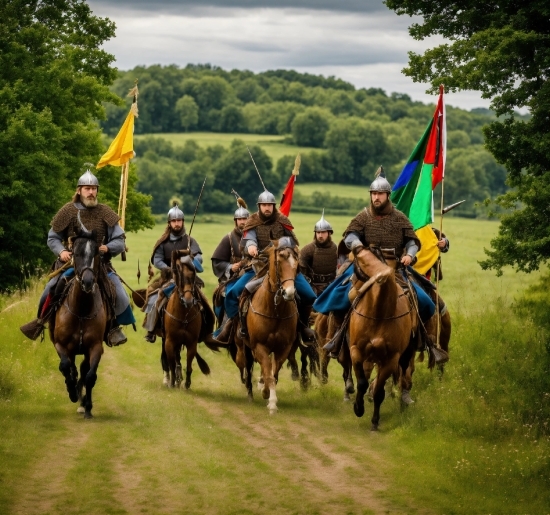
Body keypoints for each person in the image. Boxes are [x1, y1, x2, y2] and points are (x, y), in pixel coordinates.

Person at [21, 168, 134, 346]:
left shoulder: (105, 212)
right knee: (49, 289)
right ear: (79, 190)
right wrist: (61, 252)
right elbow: (53, 238)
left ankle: (112, 327)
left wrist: (107, 247)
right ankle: (40, 322)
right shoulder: (67, 211)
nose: (91, 192)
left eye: (93, 188)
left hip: (100, 266)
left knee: (120, 294)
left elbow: (120, 241)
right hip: (71, 264)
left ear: (97, 190)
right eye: (87, 188)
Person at [314, 168, 436, 329]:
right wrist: (358, 246)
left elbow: (412, 242)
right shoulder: (363, 216)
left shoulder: (400, 218)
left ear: (387, 195)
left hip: (395, 268)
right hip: (365, 266)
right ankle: (337, 337)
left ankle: (422, 339)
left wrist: (410, 255)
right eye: (373, 193)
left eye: (380, 194)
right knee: (338, 295)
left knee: (425, 302)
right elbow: (350, 236)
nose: (376, 197)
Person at [214, 189, 317, 344]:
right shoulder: (253, 221)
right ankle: (234, 326)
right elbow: (249, 239)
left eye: (270, 205)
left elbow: (292, 242)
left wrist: (284, 248)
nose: (267, 208)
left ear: (273, 206)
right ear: (259, 206)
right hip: (259, 267)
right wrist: (251, 247)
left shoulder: (282, 220)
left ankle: (302, 326)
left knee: (309, 295)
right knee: (233, 293)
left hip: (283, 266)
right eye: (264, 205)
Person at [143, 202, 203, 343]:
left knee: (203, 302)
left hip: (187, 279)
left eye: (179, 221)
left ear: (182, 222)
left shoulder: (189, 241)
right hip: (168, 278)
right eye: (174, 221)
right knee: (154, 298)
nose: (177, 224)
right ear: (169, 223)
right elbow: (157, 260)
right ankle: (151, 329)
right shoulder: (163, 242)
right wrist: (169, 269)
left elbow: (199, 256)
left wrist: (190, 260)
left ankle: (204, 330)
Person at [211, 196, 249, 284]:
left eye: (244, 219)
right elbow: (217, 262)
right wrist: (230, 267)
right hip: (233, 278)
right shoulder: (228, 238)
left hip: (252, 276)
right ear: (235, 221)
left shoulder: (255, 237)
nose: (242, 222)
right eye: (239, 219)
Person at [299, 210, 338, 296]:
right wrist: (309, 285)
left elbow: (341, 268)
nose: (320, 235)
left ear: (329, 233)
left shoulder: (335, 249)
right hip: (312, 287)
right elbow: (301, 271)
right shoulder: (308, 249)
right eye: (318, 232)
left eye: (323, 232)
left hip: (331, 287)